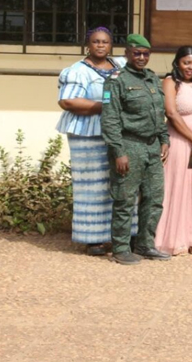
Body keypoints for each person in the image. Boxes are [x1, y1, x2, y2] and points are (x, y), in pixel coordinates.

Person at [56, 27, 130, 256]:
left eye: (105, 42)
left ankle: (121, 235)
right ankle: (93, 239)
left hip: (116, 133)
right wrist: (106, 107)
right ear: (88, 45)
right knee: (91, 186)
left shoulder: (120, 66)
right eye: (96, 41)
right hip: (87, 134)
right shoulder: (77, 71)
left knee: (119, 182)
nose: (100, 45)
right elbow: (67, 101)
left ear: (111, 45)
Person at [101, 34, 170, 265]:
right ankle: (120, 248)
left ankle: (145, 244)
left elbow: (159, 113)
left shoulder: (152, 78)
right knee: (125, 199)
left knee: (154, 198)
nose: (141, 57)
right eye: (136, 53)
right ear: (127, 54)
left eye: (145, 54)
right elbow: (110, 118)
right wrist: (118, 151)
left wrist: (164, 139)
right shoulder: (116, 80)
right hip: (129, 145)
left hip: (152, 147)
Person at [154, 46, 192, 256]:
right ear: (178, 62)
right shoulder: (171, 82)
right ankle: (175, 238)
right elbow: (171, 113)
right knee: (179, 188)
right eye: (186, 62)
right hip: (181, 142)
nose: (190, 67)